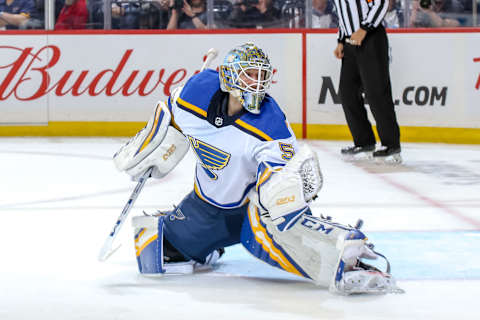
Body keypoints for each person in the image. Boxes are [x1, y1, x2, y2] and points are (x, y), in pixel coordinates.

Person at [112, 42, 403, 294]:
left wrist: (288, 194)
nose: (257, 83)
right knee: (156, 251)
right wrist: (154, 147)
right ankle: (208, 245)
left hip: (249, 209)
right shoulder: (196, 91)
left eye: (261, 76)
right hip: (206, 206)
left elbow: (281, 180)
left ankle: (343, 258)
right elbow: (172, 118)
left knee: (266, 231)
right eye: (249, 74)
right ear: (228, 75)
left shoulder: (272, 124)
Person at [332, 0, 402, 163]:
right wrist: (341, 40)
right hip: (351, 42)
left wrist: (364, 28)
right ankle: (363, 142)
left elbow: (381, 3)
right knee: (347, 92)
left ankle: (391, 145)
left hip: (371, 38)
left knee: (376, 92)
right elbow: (343, 15)